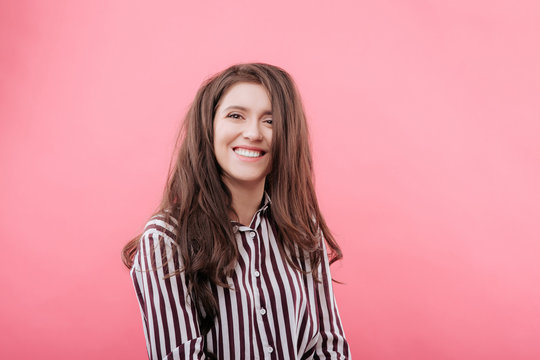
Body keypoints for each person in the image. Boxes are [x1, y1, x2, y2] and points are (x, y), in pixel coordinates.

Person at [122, 63, 350, 359]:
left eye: (270, 121)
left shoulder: (302, 229)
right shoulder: (164, 241)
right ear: (209, 127)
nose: (253, 133)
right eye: (235, 116)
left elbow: (328, 348)